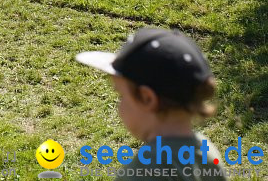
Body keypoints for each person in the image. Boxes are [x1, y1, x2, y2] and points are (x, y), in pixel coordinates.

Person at [76, 27, 227, 179]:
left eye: (121, 95)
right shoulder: (207, 153)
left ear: (147, 99)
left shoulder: (141, 173)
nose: (119, 107)